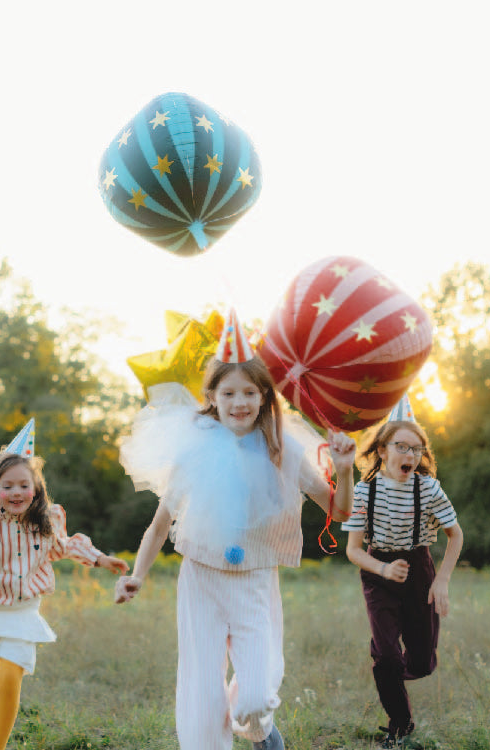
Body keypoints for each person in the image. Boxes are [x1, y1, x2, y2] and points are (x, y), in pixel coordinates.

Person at [114, 308, 356, 750]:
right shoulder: (195, 449)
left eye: (249, 392)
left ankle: (262, 731)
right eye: (229, 393)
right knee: (203, 699)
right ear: (213, 396)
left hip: (254, 585)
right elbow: (158, 526)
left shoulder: (286, 452)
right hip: (201, 581)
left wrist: (344, 470)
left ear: (265, 396)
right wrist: (136, 575)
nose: (239, 402)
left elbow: (339, 512)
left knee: (256, 696)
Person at [0, 420, 129, 750]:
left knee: (11, 676)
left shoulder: (46, 520)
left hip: (23, 612)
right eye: (7, 486)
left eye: (24, 485)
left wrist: (99, 559)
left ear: (35, 488)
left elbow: (62, 546)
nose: (16, 493)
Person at [342, 400, 463, 749]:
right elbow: (353, 550)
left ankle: (390, 668)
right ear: (382, 450)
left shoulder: (427, 487)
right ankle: (399, 722)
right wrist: (382, 568)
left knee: (423, 663)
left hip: (420, 571)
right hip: (378, 573)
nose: (410, 453)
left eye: (416, 448)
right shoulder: (364, 491)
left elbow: (457, 535)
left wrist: (441, 580)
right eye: (402, 446)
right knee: (389, 657)